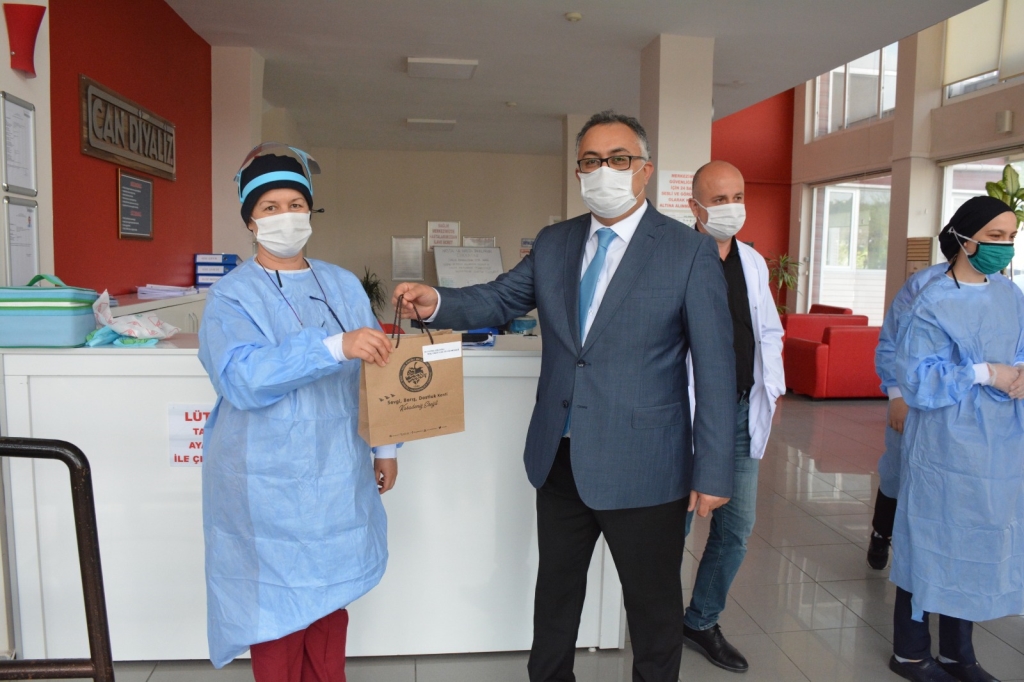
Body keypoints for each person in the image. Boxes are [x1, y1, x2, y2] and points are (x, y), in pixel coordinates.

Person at [393, 111, 737, 682]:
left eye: (619, 159)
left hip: (647, 466)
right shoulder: (555, 242)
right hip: (560, 459)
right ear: (578, 172)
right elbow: (500, 298)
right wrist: (437, 301)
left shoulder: (687, 251)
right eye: (591, 161)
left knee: (652, 613)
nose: (604, 171)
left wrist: (715, 468)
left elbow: (717, 368)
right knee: (554, 601)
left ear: (645, 170)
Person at [198, 144, 398, 682]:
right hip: (264, 481)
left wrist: (384, 447)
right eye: (270, 207)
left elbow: (376, 370)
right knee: (276, 610)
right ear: (250, 220)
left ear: (310, 211)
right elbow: (242, 378)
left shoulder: (342, 285)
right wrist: (333, 346)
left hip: (337, 471)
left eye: (295, 204)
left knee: (329, 603)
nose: (284, 216)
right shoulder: (231, 297)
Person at [889, 195, 1024, 682]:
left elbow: (1019, 348)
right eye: (994, 237)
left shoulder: (1010, 295)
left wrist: (1019, 372)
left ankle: (957, 654)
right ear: (965, 239)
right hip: (944, 444)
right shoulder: (932, 300)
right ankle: (909, 654)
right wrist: (984, 372)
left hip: (998, 447)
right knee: (930, 542)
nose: (1005, 246)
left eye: (1011, 237)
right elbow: (917, 380)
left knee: (973, 544)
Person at [682, 161, 785, 673]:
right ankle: (655, 623)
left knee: (736, 528)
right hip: (682, 417)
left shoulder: (753, 262)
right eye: (718, 199)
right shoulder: (674, 257)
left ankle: (701, 620)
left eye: (737, 197)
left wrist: (773, 388)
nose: (731, 208)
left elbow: (768, 331)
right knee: (671, 529)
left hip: (742, 411)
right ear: (694, 206)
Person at [868, 261, 947, 570]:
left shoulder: (1004, 291)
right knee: (898, 472)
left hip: (968, 408)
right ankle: (881, 533)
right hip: (915, 398)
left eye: (1010, 239)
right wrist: (896, 394)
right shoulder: (925, 283)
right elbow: (891, 340)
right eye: (994, 238)